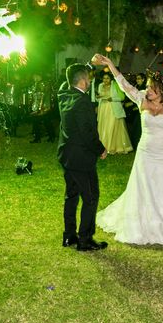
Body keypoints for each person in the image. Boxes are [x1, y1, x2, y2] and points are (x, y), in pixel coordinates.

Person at [92, 54, 163, 245]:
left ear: (161, 89)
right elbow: (123, 84)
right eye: (147, 86)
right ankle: (144, 222)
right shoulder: (140, 98)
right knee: (144, 188)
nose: (147, 90)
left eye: (151, 87)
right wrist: (109, 64)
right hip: (145, 152)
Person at [57, 63, 108, 251]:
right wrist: (101, 149)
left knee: (71, 195)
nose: (90, 80)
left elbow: (71, 76)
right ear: (83, 80)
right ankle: (85, 239)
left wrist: (88, 65)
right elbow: (87, 133)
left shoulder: (63, 94)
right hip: (81, 159)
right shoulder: (83, 101)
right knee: (91, 196)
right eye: (88, 77)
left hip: (67, 156)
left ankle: (69, 236)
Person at [97, 72, 133, 154]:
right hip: (103, 108)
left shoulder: (116, 85)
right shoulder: (100, 85)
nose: (105, 80)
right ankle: (104, 146)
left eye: (107, 78)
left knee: (112, 126)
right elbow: (99, 97)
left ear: (111, 79)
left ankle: (113, 147)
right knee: (104, 126)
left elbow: (122, 97)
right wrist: (98, 98)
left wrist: (112, 98)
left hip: (113, 109)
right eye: (104, 78)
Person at [28, 73, 56, 143]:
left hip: (43, 107)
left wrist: (40, 107)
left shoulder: (42, 84)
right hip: (42, 106)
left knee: (43, 122)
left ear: (39, 76)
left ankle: (42, 138)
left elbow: (42, 96)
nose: (34, 78)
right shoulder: (39, 84)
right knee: (44, 122)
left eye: (35, 76)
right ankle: (49, 137)